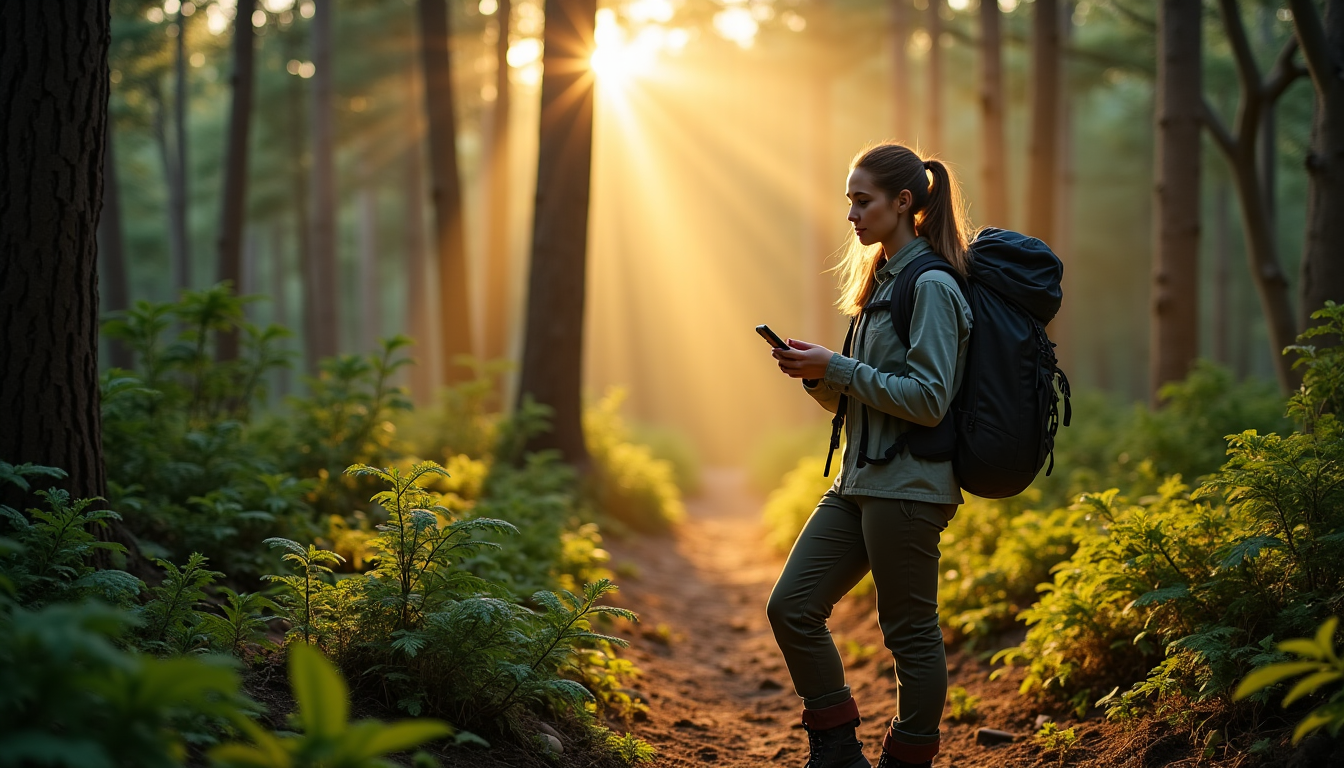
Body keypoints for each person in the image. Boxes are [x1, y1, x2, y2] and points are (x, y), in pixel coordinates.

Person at [766, 142, 974, 768]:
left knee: (910, 635)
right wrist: (818, 374)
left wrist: (840, 366)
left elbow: (929, 400)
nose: (852, 215)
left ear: (903, 202)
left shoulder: (931, 284)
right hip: (858, 481)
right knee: (792, 607)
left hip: (908, 488)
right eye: (848, 202)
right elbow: (862, 399)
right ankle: (836, 750)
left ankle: (907, 760)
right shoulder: (880, 284)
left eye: (863, 201)